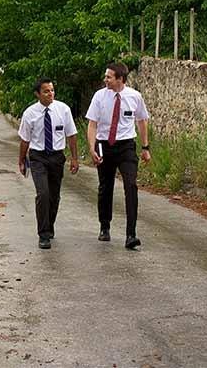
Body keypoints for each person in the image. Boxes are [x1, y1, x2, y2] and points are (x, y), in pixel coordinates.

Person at [85, 62, 151, 249]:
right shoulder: (99, 96)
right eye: (105, 76)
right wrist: (92, 148)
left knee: (131, 186)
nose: (105, 79)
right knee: (105, 187)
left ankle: (131, 234)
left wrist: (146, 147)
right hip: (104, 144)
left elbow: (142, 121)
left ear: (120, 79)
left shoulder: (134, 96)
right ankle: (104, 226)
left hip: (126, 146)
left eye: (109, 77)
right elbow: (92, 124)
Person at [18, 78, 79, 249]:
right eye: (46, 91)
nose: (50, 94)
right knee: (43, 194)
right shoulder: (30, 113)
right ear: (38, 94)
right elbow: (25, 140)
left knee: (54, 196)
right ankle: (43, 234)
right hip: (38, 157)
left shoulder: (63, 110)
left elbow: (72, 135)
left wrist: (74, 158)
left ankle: (50, 225)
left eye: (52, 90)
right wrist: (22, 160)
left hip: (57, 157)